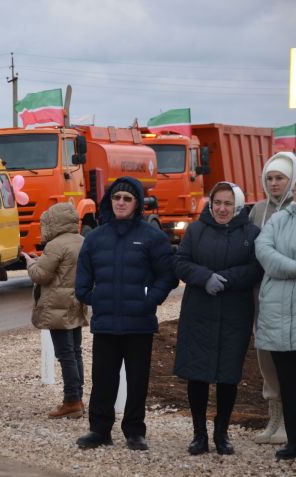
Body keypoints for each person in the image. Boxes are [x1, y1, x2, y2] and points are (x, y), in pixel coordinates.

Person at [75, 177, 177, 451]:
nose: (120, 202)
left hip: (139, 323)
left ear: (137, 203)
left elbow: (167, 276)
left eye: (127, 199)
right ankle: (99, 429)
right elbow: (82, 282)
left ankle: (134, 431)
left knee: (137, 380)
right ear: (110, 200)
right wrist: (97, 298)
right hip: (106, 323)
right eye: (116, 197)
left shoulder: (152, 237)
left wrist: (149, 300)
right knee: (103, 379)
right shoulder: (95, 238)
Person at [173, 182, 261, 455]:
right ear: (211, 204)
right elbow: (181, 262)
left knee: (227, 377)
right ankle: (199, 434)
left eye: (228, 203)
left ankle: (221, 433)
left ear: (237, 205)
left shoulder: (251, 232)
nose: (222, 209)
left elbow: (256, 268)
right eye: (218, 202)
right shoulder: (196, 230)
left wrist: (228, 280)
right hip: (199, 311)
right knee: (197, 376)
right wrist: (204, 277)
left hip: (234, 312)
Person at [23, 203, 88, 419]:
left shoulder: (55, 245)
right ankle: (78, 397)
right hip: (76, 303)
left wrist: (30, 263)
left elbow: (41, 275)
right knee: (75, 352)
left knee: (65, 354)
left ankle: (71, 401)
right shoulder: (82, 241)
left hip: (57, 307)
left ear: (53, 222)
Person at [249, 152, 296, 445]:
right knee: (265, 358)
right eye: (270, 178)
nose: (274, 183)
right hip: (261, 295)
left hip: (289, 299)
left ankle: (289, 425)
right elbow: (254, 248)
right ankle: (274, 416)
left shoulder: (292, 210)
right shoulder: (258, 210)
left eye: (280, 178)